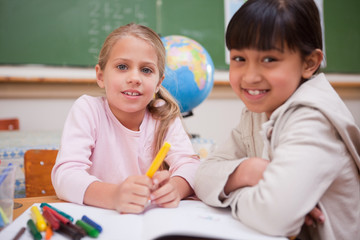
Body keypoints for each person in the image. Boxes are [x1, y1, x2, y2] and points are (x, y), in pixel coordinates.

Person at [194, 0, 360, 239]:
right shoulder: (259, 111)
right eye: (239, 58)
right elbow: (203, 175)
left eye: (269, 60)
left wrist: (232, 193)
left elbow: (274, 217)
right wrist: (246, 172)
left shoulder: (313, 120)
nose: (250, 77)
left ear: (309, 63)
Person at [52, 23, 200, 214]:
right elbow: (65, 176)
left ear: (158, 83)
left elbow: (191, 166)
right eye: (122, 67)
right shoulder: (88, 110)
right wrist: (114, 196)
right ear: (100, 75)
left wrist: (176, 188)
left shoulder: (164, 116)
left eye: (146, 70)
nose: (135, 78)